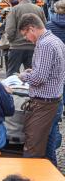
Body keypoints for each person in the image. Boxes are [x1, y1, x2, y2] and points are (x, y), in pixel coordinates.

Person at [18, 14, 65, 159]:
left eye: (25, 34)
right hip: (54, 99)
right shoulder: (55, 40)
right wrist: (35, 71)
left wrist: (23, 76)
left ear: (31, 29)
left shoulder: (44, 44)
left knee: (34, 146)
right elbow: (54, 69)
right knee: (48, 144)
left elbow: (39, 78)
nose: (27, 38)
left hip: (43, 103)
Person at [5, 0, 46, 77]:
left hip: (17, 47)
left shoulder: (15, 9)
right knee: (33, 75)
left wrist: (11, 41)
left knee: (12, 76)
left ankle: (11, 92)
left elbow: (9, 29)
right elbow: (44, 27)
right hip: (34, 47)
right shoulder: (39, 9)